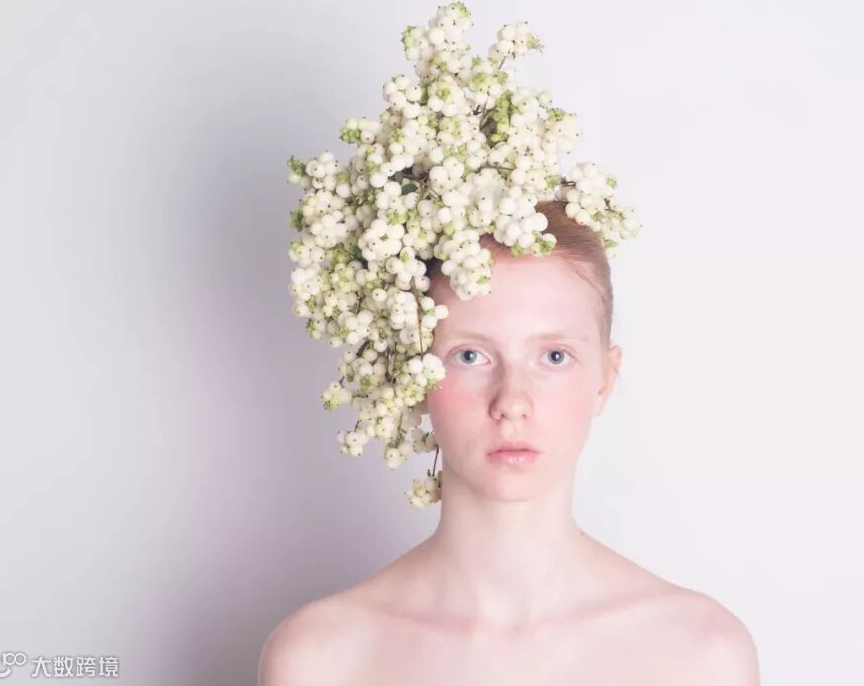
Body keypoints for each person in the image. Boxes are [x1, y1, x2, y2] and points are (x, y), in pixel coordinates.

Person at [258, 200, 761, 685]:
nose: (512, 401)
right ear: (414, 378)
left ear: (604, 380)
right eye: (470, 356)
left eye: (554, 356)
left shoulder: (701, 656)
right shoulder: (320, 660)